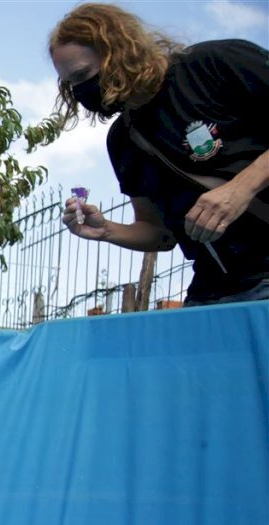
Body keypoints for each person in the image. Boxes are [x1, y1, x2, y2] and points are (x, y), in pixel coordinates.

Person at [48, 3, 269, 305]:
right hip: (213, 289)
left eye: (84, 75)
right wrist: (106, 230)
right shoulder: (123, 140)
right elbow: (161, 234)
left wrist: (242, 188)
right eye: (70, 83)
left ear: (119, 51)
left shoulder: (215, 64)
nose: (79, 91)